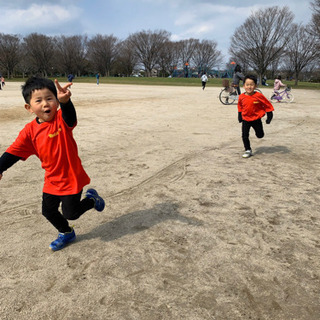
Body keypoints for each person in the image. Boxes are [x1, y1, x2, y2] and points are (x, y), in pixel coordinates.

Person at [0, 76, 105, 251]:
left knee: (71, 213)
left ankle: (91, 200)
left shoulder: (61, 120)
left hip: (72, 177)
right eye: (38, 100)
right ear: (29, 108)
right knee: (48, 211)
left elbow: (70, 117)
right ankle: (66, 232)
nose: (45, 104)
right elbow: (13, 152)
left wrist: (66, 102)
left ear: (56, 102)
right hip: (52, 180)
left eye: (50, 98)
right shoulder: (29, 132)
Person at [238, 75, 274, 158]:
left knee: (260, 135)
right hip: (246, 119)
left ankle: (259, 133)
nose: (249, 87)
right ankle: (248, 150)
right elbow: (240, 106)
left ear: (255, 86)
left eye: (251, 84)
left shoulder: (259, 96)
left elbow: (267, 105)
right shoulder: (241, 97)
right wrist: (239, 115)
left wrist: (269, 116)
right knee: (244, 135)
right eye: (247, 84)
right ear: (244, 86)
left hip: (256, 119)